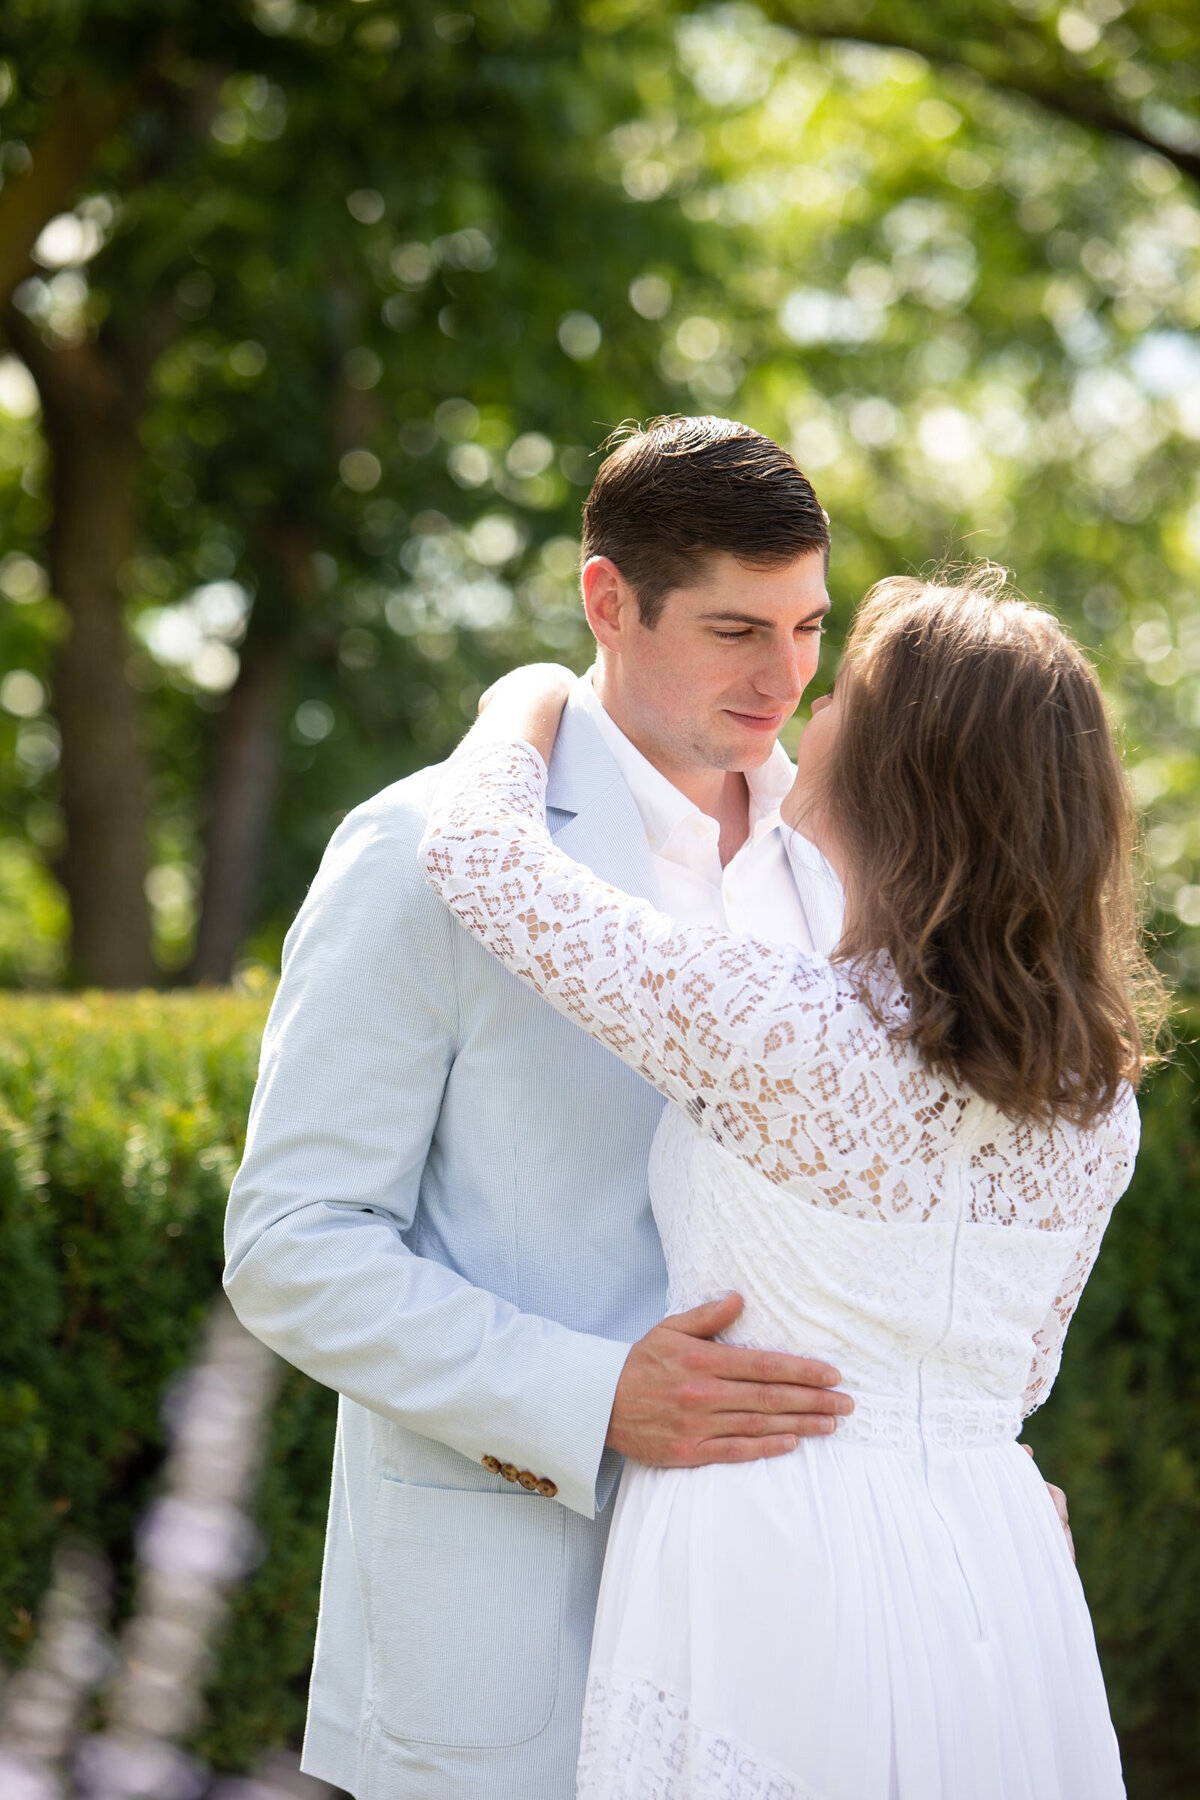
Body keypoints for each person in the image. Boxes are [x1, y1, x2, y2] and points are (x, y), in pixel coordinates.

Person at [417, 567, 1168, 1800]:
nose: (805, 705)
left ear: (891, 771)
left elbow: (480, 859)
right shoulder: (1099, 1105)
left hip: (771, 1547)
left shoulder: (783, 1026)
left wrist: (530, 695)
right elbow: (1019, 1376)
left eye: (845, 696)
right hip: (1000, 1555)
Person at [224, 417, 860, 1800]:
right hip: (512, 1640)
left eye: (812, 626)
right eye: (737, 629)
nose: (787, 678)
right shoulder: (419, 850)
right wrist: (589, 1397)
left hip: (795, 1637)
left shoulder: (849, 869)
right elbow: (292, 1243)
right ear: (606, 602)